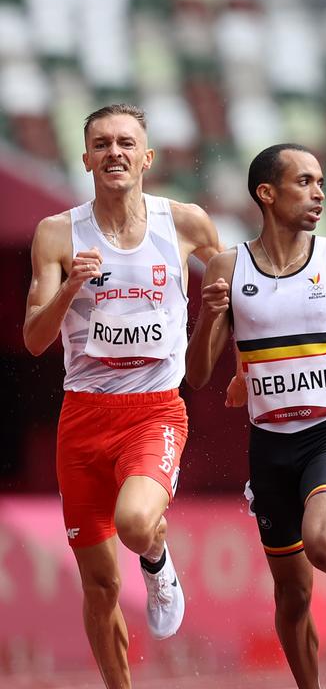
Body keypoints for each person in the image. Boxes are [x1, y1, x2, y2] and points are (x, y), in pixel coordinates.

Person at [184, 144, 326, 686]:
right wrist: (209, 317)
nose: (318, 194)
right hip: (269, 445)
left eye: (321, 182)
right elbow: (196, 375)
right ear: (267, 193)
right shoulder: (226, 268)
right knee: (290, 595)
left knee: (323, 542)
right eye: (304, 182)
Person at [22, 104, 222, 687]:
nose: (115, 153)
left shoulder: (183, 223)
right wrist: (70, 292)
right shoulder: (59, 234)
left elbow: (239, 281)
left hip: (154, 410)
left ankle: (158, 563)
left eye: (126, 143)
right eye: (102, 144)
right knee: (101, 585)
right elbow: (34, 340)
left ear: (147, 157)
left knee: (136, 523)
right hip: (82, 417)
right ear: (84, 158)